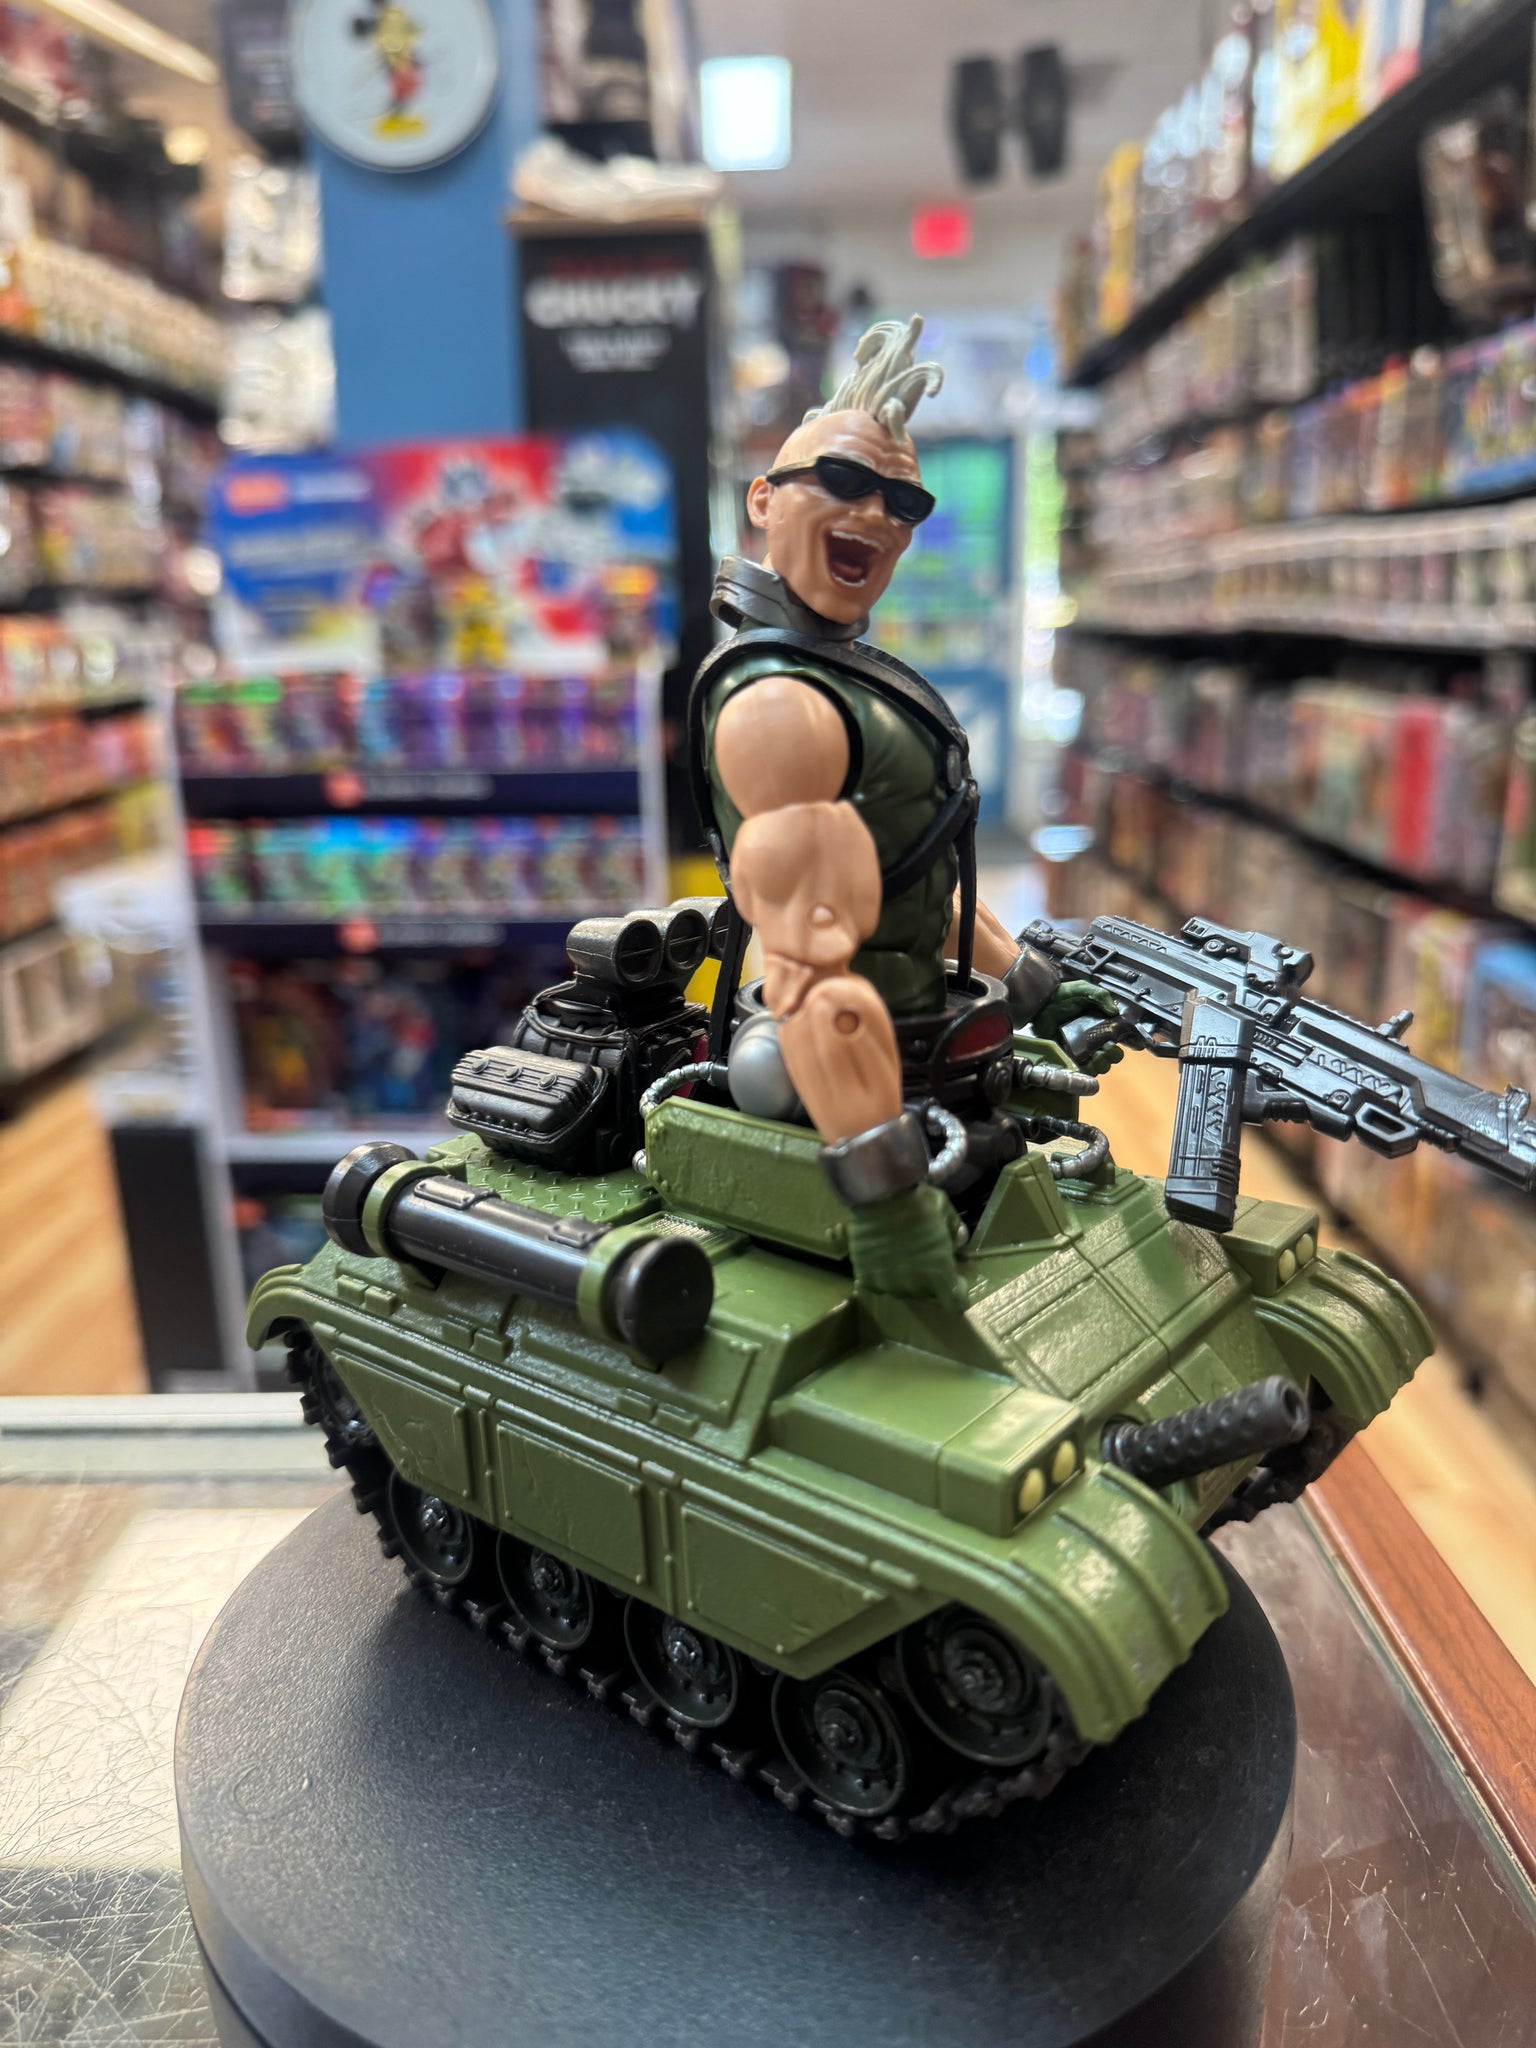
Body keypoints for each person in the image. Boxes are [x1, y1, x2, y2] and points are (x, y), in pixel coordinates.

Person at [691, 315, 1116, 1303]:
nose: (876, 515)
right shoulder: (781, 707)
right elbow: (813, 978)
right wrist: (884, 1194)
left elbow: (916, 879)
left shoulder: (851, 681)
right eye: (844, 481)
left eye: (903, 500)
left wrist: (1037, 987)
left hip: (935, 1062)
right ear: (764, 498)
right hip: (846, 1100)